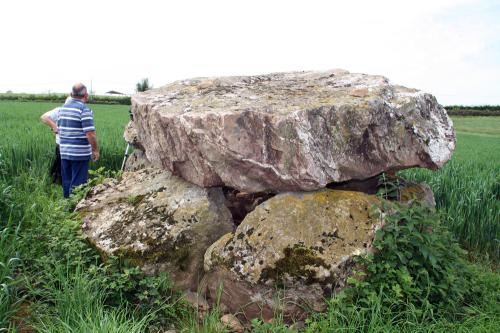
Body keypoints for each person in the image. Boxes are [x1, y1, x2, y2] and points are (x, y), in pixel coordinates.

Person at [57, 83, 100, 198]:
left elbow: (58, 129)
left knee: (67, 180)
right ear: (86, 95)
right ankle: (76, 209)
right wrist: (95, 150)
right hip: (79, 153)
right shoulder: (84, 110)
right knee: (78, 183)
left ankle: (67, 207)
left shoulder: (62, 109)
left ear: (71, 94)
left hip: (64, 152)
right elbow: (90, 134)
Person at [40, 97, 71, 184]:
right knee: (60, 163)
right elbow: (44, 117)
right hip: (62, 144)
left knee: (63, 164)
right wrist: (54, 126)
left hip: (73, 145)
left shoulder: (79, 111)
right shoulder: (59, 110)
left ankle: (59, 182)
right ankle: (56, 182)